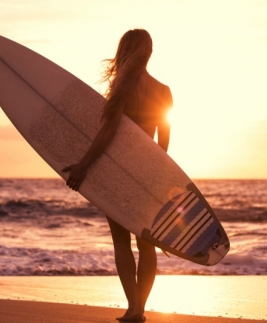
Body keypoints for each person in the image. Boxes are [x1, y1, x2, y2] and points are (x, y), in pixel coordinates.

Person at [62, 29, 173, 323]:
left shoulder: (122, 86)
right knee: (146, 242)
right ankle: (141, 308)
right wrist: (159, 182)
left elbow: (108, 132)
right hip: (147, 173)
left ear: (125, 51)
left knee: (121, 242)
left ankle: (133, 307)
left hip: (116, 171)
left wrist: (83, 165)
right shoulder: (164, 91)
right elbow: (163, 147)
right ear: (148, 52)